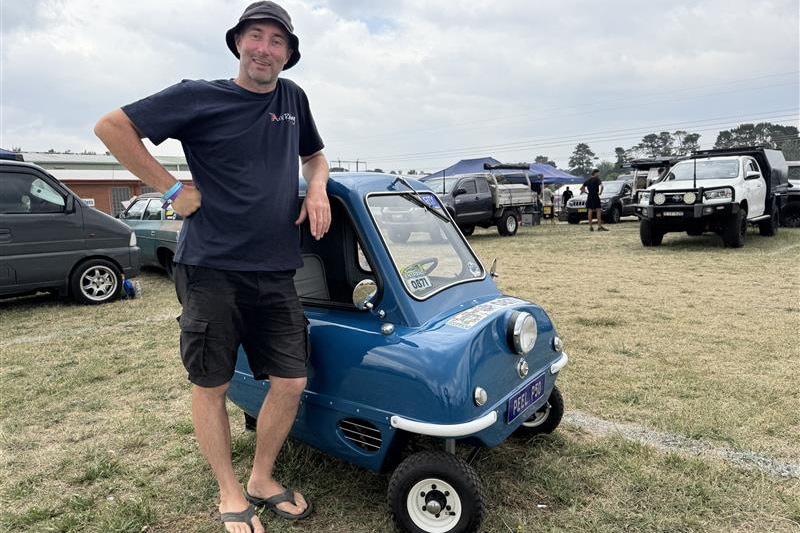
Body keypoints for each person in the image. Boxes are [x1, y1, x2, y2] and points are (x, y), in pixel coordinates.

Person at [94, 2, 329, 532]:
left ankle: (261, 479)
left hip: (275, 271)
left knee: (291, 381)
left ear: (289, 54)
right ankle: (229, 492)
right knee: (212, 385)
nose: (265, 48)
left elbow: (315, 155)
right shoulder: (198, 95)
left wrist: (317, 187)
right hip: (211, 268)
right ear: (238, 42)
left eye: (277, 41)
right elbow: (111, 127)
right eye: (256, 36)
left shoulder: (293, 98)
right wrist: (172, 189)